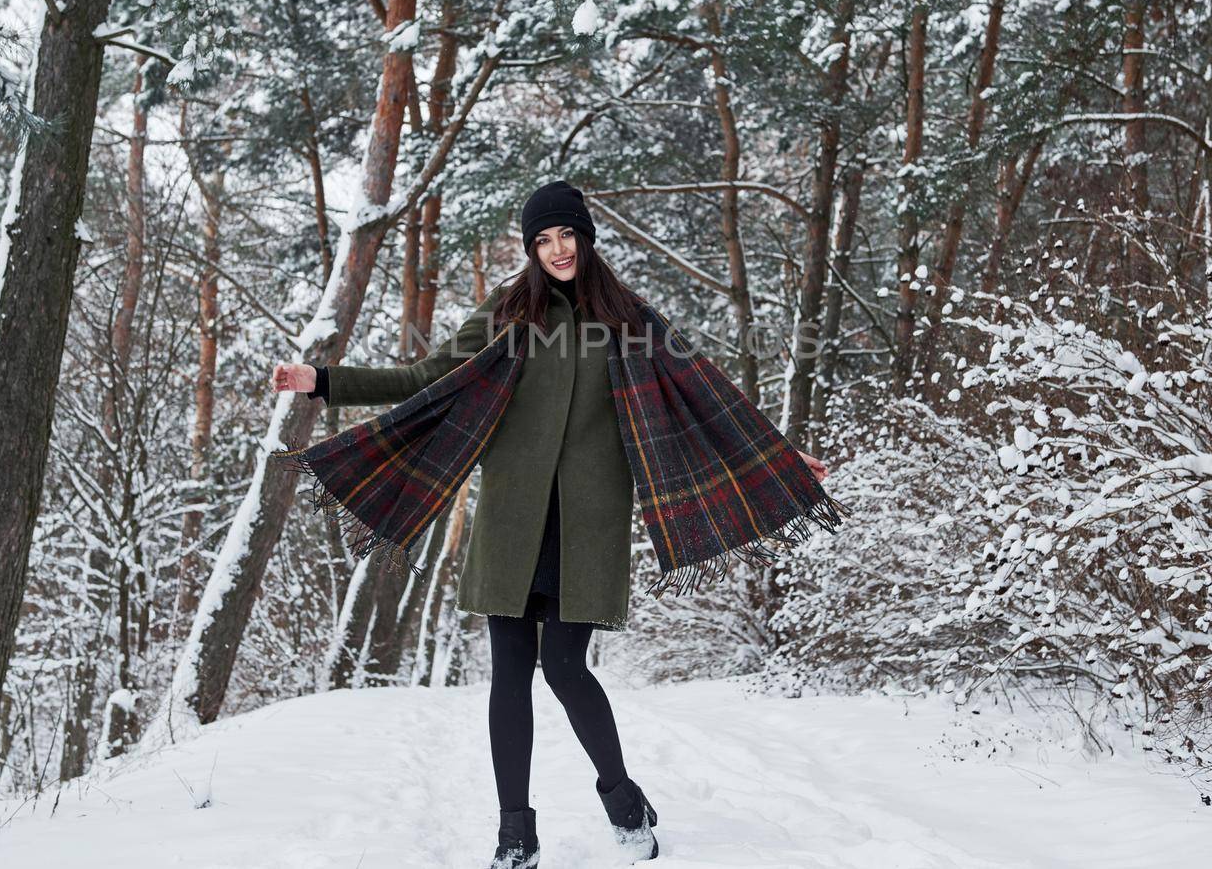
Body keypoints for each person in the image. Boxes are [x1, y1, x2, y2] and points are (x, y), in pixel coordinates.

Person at [271, 180, 828, 867]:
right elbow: (426, 376)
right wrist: (321, 382)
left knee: (565, 668)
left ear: (585, 238)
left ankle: (623, 800)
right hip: (511, 520)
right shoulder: (507, 313)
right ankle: (515, 833)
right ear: (532, 248)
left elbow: (706, 391)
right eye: (544, 240)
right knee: (510, 671)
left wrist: (781, 456)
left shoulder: (629, 318)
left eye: (566, 235)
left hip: (587, 526)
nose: (558, 249)